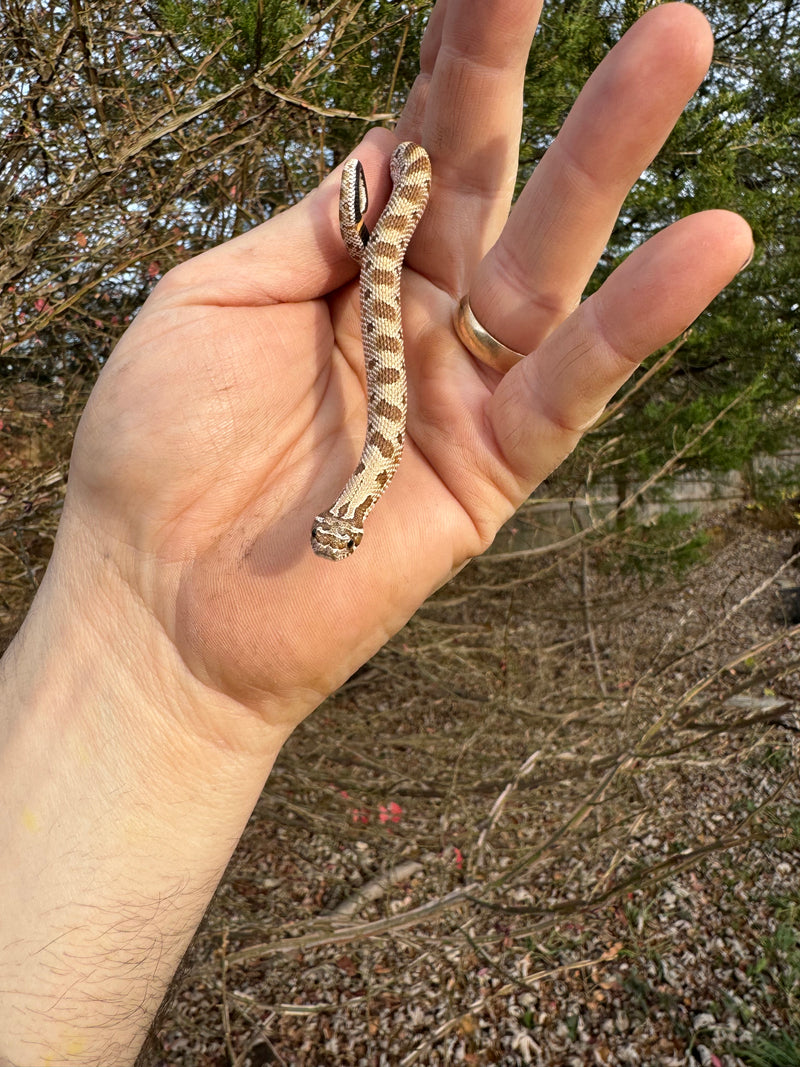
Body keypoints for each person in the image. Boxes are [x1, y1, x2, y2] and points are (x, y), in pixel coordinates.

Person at [0, 1, 752, 1063]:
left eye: (334, 526)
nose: (330, 537)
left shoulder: (379, 458)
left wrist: (153, 682)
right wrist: (142, 646)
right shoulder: (369, 455)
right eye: (338, 527)